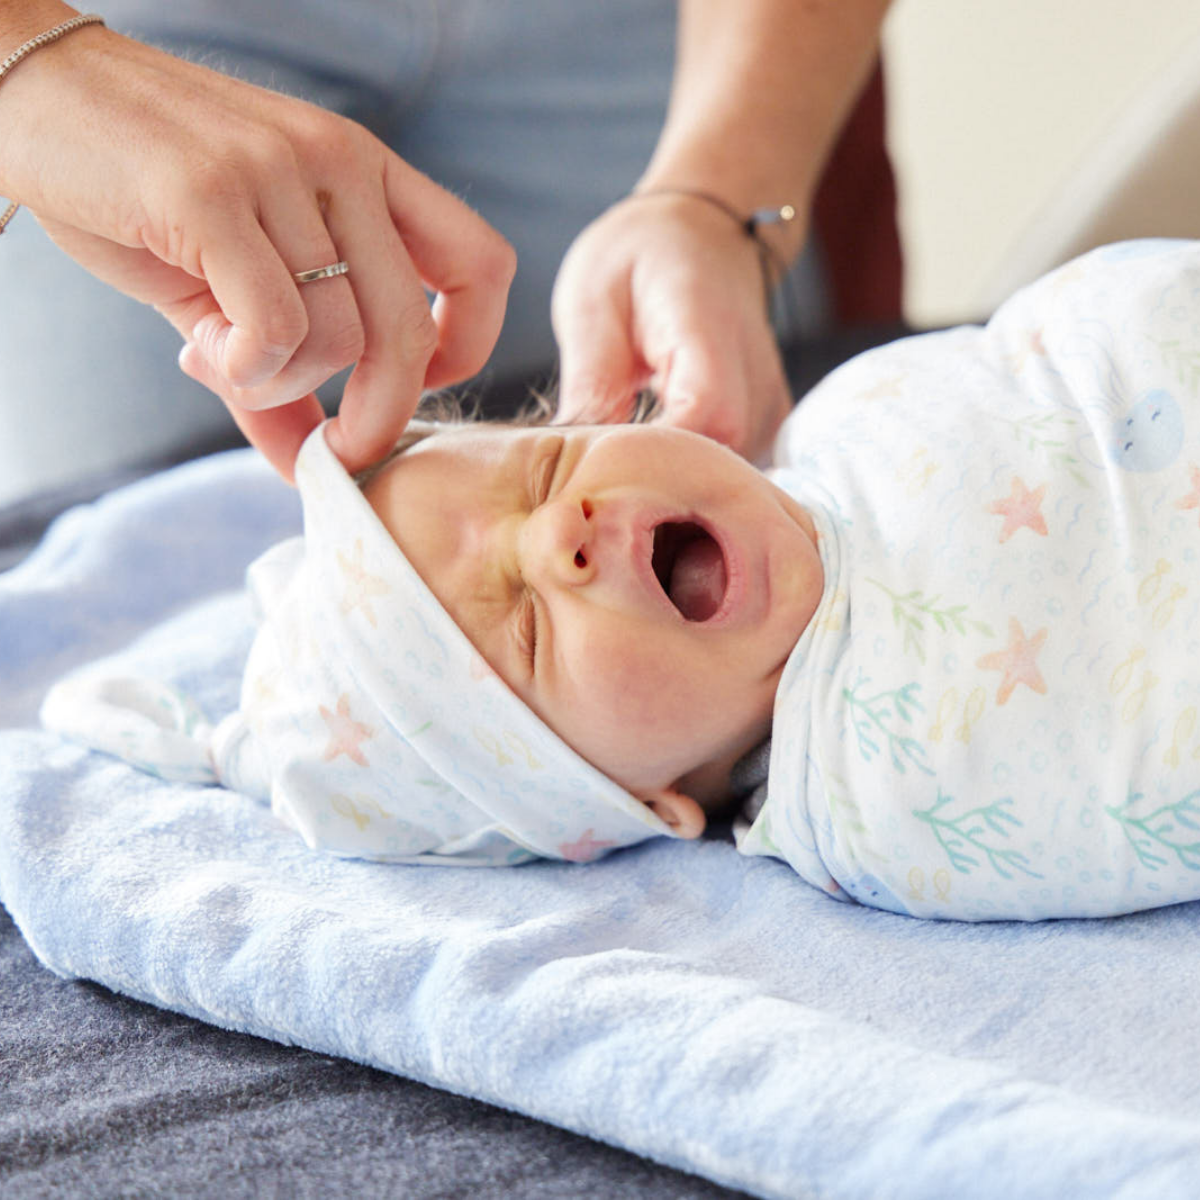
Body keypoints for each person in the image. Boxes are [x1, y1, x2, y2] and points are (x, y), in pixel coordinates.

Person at [42, 238, 1200, 920]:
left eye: (547, 462)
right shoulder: (884, 807)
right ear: (643, 805)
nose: (565, 536)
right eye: (527, 638)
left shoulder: (845, 420)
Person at [0, 0, 894, 507]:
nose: (575, 549)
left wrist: (717, 196)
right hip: (90, 35)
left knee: (728, 454)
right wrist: (25, 68)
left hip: (640, 30)